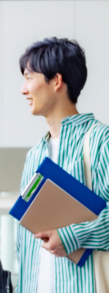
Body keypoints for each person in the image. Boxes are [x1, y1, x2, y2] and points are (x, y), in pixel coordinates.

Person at [16, 38, 109, 293]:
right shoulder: (35, 155)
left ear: (56, 81)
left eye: (28, 77)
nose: (23, 89)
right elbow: (24, 245)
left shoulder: (101, 140)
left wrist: (70, 237)